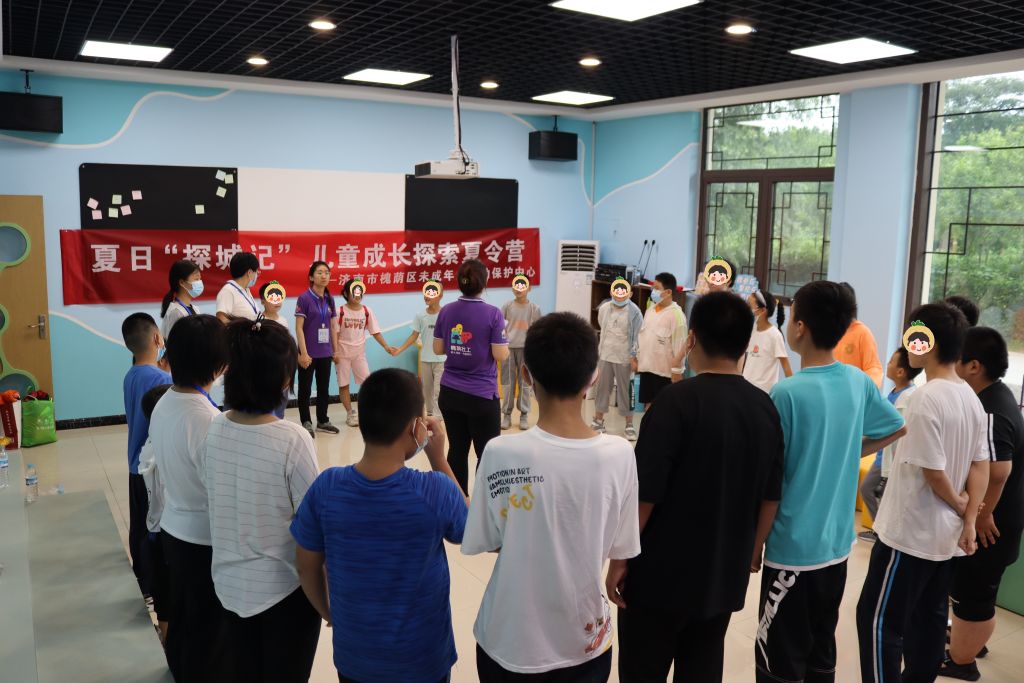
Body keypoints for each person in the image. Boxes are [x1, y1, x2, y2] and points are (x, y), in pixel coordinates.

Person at [608, 292, 784, 683]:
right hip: (722, 574)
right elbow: (771, 495)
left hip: (659, 576)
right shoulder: (764, 408)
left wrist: (620, 558)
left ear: (691, 339)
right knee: (703, 667)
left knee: (643, 670)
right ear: (745, 345)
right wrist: (752, 550)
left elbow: (646, 495)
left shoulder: (673, 402)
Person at [464, 312, 640, 681]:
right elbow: (621, 545)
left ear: (526, 376)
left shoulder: (500, 453)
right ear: (593, 377)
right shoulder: (620, 454)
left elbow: (490, 540)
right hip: (585, 640)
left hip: (508, 639)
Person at [754, 281, 906, 683]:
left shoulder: (786, 393)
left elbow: (770, 481)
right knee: (821, 653)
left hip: (792, 551)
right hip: (837, 549)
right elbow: (897, 426)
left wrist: (755, 544)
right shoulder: (858, 382)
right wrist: (850, 450)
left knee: (779, 660)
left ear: (800, 327)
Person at [291, 369, 467, 683]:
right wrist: (439, 459)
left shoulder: (327, 488)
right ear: (415, 427)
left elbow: (306, 566)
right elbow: (470, 529)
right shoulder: (435, 491)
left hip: (356, 659)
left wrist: (329, 613)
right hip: (423, 659)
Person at [856, 304, 991, 683]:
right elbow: (980, 465)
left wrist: (961, 504)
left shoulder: (925, 398)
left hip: (909, 536)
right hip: (945, 538)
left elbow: (933, 472)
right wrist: (967, 518)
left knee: (878, 622)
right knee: (928, 621)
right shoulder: (970, 397)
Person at [205, 319, 321, 682]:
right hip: (283, 594)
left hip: (228, 585)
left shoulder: (215, 426)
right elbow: (314, 527)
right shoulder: (292, 439)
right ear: (285, 379)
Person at [149, 314, 230, 682]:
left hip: (174, 528)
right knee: (209, 632)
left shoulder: (165, 401)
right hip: (203, 539)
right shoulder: (208, 420)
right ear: (217, 365)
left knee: (185, 617)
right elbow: (218, 489)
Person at [941, 327, 1024, 681]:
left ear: (974, 366)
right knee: (979, 591)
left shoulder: (990, 410)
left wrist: (982, 514)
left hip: (994, 523)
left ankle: (962, 662)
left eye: (955, 359)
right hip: (1006, 517)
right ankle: (972, 642)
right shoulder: (999, 395)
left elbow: (999, 471)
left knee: (973, 593)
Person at [433, 259, 509, 495]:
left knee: (457, 450)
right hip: (481, 397)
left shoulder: (446, 310)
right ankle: (481, 506)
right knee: (486, 454)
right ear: (484, 283)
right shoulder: (493, 314)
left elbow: (438, 349)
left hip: (450, 393)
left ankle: (458, 502)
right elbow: (500, 354)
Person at [121, 313, 171, 603]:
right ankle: (151, 586)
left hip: (134, 463)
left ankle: (141, 578)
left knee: (138, 523)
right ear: (156, 338)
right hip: (150, 466)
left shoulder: (132, 374)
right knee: (152, 525)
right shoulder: (161, 379)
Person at [858, 347, 921, 540]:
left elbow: (900, 431)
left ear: (901, 372)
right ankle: (880, 530)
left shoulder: (908, 397)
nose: (887, 364)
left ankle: (882, 532)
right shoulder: (894, 393)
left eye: (891, 361)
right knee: (870, 490)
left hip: (891, 460)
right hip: (881, 457)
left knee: (876, 492)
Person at [336, 278, 397, 428]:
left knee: (368, 383)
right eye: (354, 292)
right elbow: (335, 334)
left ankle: (368, 411)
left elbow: (375, 331)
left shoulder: (366, 311)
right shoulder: (340, 311)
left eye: (360, 292)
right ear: (346, 293)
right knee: (344, 385)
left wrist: (386, 346)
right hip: (342, 354)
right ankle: (350, 413)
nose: (357, 295)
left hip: (359, 354)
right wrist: (334, 352)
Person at [138, 383, 173, 645]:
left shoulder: (149, 445)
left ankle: (166, 639)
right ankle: (170, 644)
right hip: (167, 532)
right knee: (169, 595)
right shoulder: (163, 451)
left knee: (164, 597)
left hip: (155, 531)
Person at [591, 278, 643, 441]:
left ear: (630, 293)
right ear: (611, 292)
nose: (619, 294)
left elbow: (638, 336)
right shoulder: (604, 308)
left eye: (623, 291)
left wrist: (634, 357)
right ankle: (598, 421)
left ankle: (629, 425)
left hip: (625, 357)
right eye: (617, 291)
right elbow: (602, 325)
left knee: (626, 391)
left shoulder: (635, 312)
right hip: (605, 354)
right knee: (602, 388)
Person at [294, 261, 339, 438]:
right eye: (319, 272)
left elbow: (333, 326)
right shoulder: (304, 298)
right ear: (311, 277)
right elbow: (299, 328)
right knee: (305, 388)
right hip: (308, 353)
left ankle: (322, 420)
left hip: (325, 352)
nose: (323, 276)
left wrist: (335, 350)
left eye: (326, 272)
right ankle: (306, 421)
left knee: (323, 388)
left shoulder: (329, 299)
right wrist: (303, 353)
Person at [394, 280, 447, 420]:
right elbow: (414, 335)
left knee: (439, 390)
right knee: (427, 390)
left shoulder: (445, 314)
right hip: (425, 359)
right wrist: (399, 350)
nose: (427, 296)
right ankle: (429, 414)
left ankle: (438, 416)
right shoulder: (420, 315)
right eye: (426, 292)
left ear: (440, 295)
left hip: (442, 360)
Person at [636, 272, 687, 409]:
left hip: (664, 375)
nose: (653, 291)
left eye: (657, 288)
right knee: (648, 408)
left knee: (662, 411)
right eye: (653, 288)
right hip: (647, 369)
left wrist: (677, 371)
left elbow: (680, 347)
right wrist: (637, 358)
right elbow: (643, 336)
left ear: (668, 292)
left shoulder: (677, 315)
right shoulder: (650, 310)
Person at [500, 275, 542, 432]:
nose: (519, 288)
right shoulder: (506, 306)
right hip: (508, 349)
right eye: (516, 285)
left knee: (525, 383)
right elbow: (499, 328)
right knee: (507, 382)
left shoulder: (534, 309)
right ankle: (506, 415)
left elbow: (538, 331)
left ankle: (524, 415)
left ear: (529, 288)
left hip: (526, 350)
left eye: (522, 285)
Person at [833, 282, 884, 388]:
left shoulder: (862, 333)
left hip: (852, 393)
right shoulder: (828, 332)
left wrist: (860, 391)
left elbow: (873, 369)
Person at [742, 288, 793, 393]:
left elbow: (786, 367)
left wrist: (792, 392)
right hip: (746, 389)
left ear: (762, 311)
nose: (746, 309)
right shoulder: (752, 330)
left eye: (749, 305)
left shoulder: (775, 335)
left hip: (764, 393)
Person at [260, 281, 292, 419]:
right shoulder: (258, 320)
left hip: (282, 368)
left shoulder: (283, 320)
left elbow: (287, 346)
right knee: (265, 403)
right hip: (265, 369)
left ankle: (278, 424)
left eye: (279, 297)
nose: (276, 301)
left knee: (281, 403)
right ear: (263, 300)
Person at [160, 259, 203, 339]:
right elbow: (174, 342)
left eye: (200, 279)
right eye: (196, 279)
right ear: (182, 283)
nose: (200, 282)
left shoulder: (195, 309)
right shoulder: (176, 312)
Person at [215, 251, 260, 323]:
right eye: (256, 272)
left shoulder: (245, 290)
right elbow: (221, 318)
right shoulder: (228, 291)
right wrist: (240, 328)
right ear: (249, 272)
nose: (257, 275)